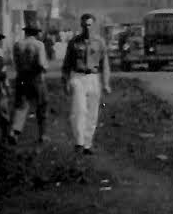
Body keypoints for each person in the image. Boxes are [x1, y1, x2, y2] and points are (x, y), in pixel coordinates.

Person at [61, 12, 112, 154]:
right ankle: (79, 142)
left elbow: (105, 65)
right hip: (78, 77)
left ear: (94, 25)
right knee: (79, 110)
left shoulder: (100, 42)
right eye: (84, 25)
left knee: (92, 112)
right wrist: (65, 81)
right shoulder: (74, 42)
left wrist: (106, 83)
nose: (87, 28)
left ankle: (87, 143)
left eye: (89, 25)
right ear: (81, 26)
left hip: (94, 78)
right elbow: (66, 65)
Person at [11, 16, 51, 142]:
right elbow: (41, 63)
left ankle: (15, 132)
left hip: (21, 78)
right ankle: (42, 134)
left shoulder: (17, 45)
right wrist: (45, 68)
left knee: (21, 106)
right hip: (36, 78)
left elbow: (16, 63)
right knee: (41, 105)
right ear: (36, 33)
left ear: (26, 31)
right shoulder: (39, 45)